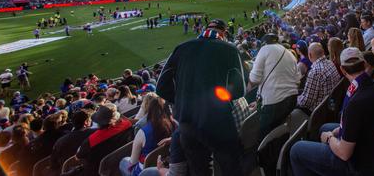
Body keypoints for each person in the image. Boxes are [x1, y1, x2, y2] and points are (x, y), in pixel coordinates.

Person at [156, 19, 246, 176]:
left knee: (199, 170)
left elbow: (161, 86)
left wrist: (183, 101)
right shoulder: (229, 49)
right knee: (231, 167)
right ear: (223, 33)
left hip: (187, 122)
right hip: (218, 120)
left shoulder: (181, 47)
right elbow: (240, 90)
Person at [289, 48, 374, 176]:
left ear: (343, 70)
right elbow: (360, 121)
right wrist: (337, 131)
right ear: (364, 65)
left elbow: (344, 154)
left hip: (359, 166)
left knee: (296, 150)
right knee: (325, 127)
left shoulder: (356, 102)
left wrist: (329, 138)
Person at [248, 34, 299, 138]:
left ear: (264, 43)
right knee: (281, 130)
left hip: (274, 103)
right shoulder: (289, 53)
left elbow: (254, 79)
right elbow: (297, 80)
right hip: (292, 99)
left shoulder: (265, 49)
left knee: (264, 137)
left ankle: (267, 154)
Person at [120, 97, 175, 176]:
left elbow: (133, 161)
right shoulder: (173, 125)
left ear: (149, 110)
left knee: (123, 161)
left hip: (144, 170)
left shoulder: (142, 132)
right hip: (163, 165)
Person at [77, 103, 133, 176]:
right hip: (119, 163)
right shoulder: (128, 124)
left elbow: (78, 157)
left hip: (100, 171)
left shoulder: (91, 140)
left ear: (98, 122)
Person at [296, 43, 343, 115]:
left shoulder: (315, 72)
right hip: (330, 103)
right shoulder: (330, 62)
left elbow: (306, 102)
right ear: (323, 52)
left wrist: (294, 100)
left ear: (310, 55)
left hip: (319, 111)